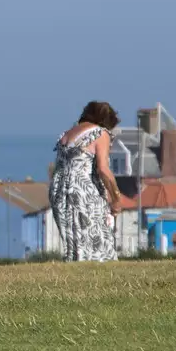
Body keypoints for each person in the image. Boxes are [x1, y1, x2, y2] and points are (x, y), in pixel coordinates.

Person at [50, 101, 123, 262]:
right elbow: (103, 169)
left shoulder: (66, 134)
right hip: (83, 189)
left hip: (59, 188)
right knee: (95, 236)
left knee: (73, 239)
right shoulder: (100, 133)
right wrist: (116, 198)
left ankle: (76, 267)